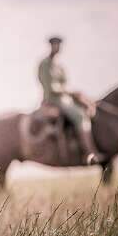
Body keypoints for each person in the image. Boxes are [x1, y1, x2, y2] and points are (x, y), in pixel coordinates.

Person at [37, 36, 105, 164]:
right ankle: (90, 153)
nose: (57, 47)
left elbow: (65, 84)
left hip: (65, 98)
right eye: (55, 44)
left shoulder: (60, 66)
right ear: (51, 46)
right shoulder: (45, 64)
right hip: (53, 99)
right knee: (79, 116)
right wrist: (71, 92)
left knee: (87, 107)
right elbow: (50, 87)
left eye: (59, 45)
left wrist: (76, 94)